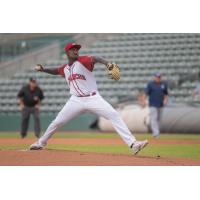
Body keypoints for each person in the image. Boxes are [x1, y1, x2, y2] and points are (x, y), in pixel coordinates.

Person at [29, 42, 148, 155]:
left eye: (77, 49)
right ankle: (41, 143)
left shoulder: (82, 61)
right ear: (67, 53)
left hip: (93, 98)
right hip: (75, 100)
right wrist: (43, 69)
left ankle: (133, 144)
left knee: (114, 115)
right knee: (57, 122)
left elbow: (94, 58)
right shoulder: (65, 68)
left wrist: (107, 63)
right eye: (73, 49)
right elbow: (56, 71)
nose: (76, 51)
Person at [144, 73, 168, 138]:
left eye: (159, 77)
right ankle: (156, 133)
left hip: (161, 104)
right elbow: (146, 93)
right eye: (157, 77)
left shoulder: (163, 84)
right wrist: (144, 101)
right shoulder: (150, 84)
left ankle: (157, 132)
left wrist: (165, 100)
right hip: (153, 104)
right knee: (154, 118)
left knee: (159, 119)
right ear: (154, 77)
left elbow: (166, 94)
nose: (158, 78)